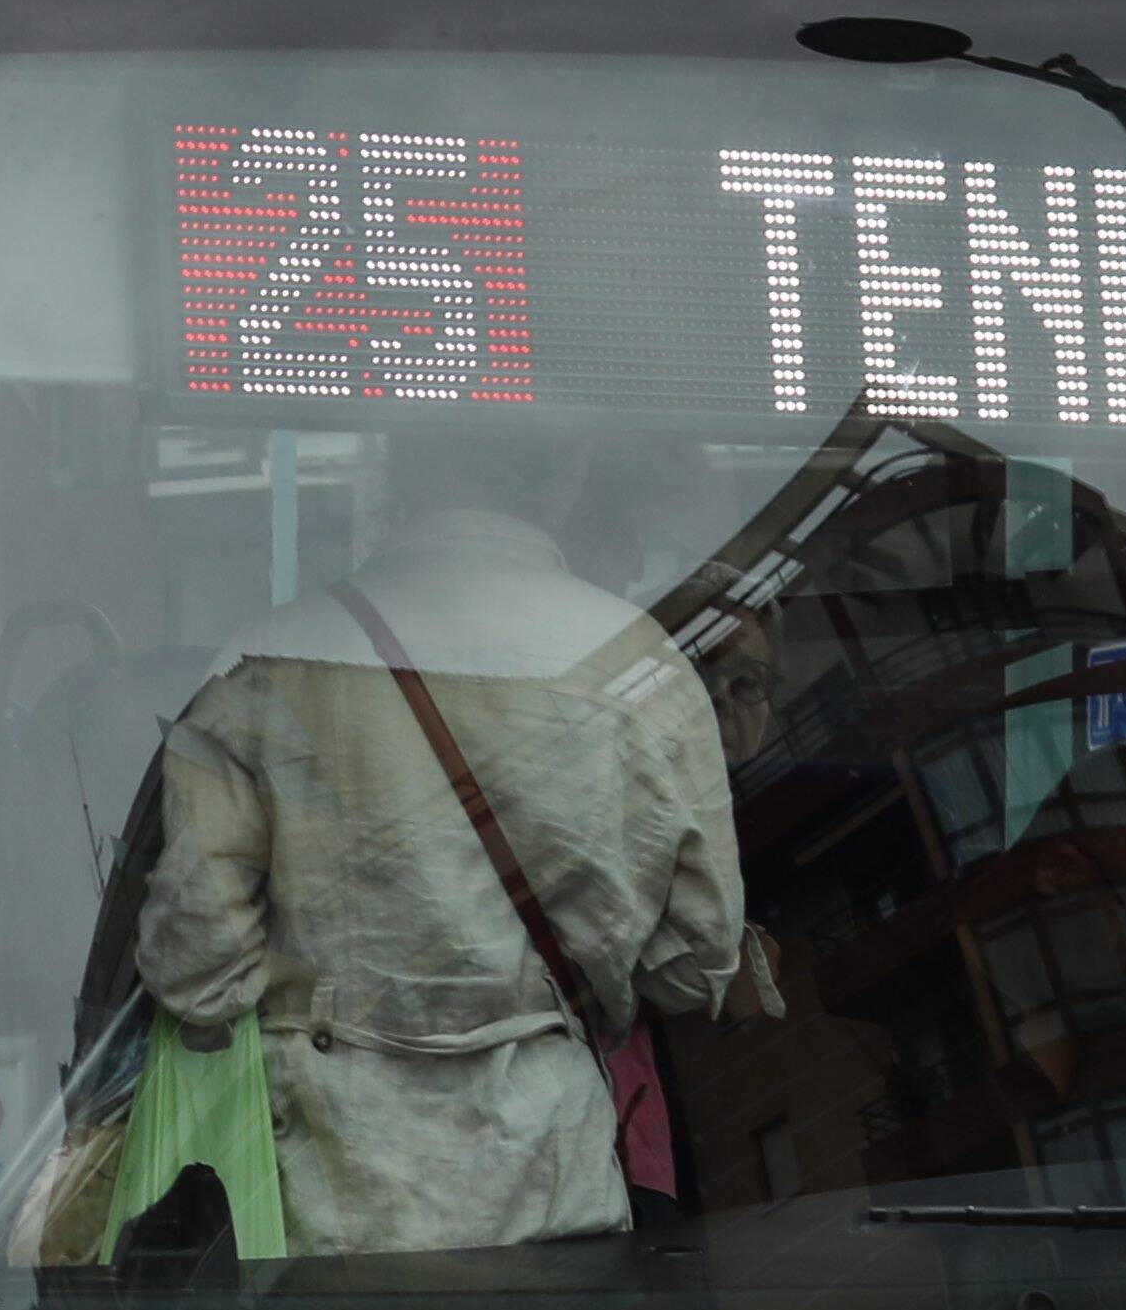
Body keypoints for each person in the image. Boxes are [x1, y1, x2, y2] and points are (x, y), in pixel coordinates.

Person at [130, 450, 748, 1258]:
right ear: (565, 478)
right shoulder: (643, 666)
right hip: (555, 1190)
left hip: (324, 1201)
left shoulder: (267, 658)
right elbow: (696, 966)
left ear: (398, 475)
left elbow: (196, 967)